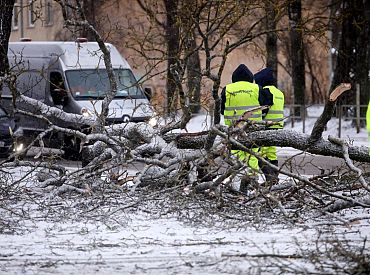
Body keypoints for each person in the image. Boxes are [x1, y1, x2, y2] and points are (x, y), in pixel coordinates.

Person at [221, 64, 273, 193]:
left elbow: (222, 109)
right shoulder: (257, 88)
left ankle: (237, 181)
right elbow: (267, 103)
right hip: (253, 128)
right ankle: (250, 180)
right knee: (253, 155)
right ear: (250, 77)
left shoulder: (227, 89)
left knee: (236, 155)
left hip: (233, 129)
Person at [254, 67, 284, 184]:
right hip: (278, 126)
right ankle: (274, 177)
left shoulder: (265, 91)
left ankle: (270, 178)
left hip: (266, 126)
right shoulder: (279, 92)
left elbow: (262, 110)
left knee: (260, 152)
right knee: (271, 152)